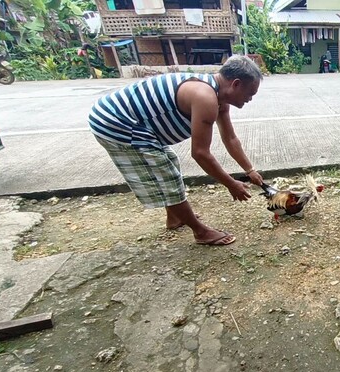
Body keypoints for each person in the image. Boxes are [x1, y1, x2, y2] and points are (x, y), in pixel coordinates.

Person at [88, 55, 264, 246]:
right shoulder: (205, 97)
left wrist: (250, 170)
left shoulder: (219, 97)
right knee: (165, 173)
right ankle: (201, 232)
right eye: (250, 94)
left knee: (168, 161)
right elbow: (200, 153)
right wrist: (230, 183)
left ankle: (175, 217)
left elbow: (230, 138)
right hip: (116, 121)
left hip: (131, 120)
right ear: (236, 84)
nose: (250, 99)